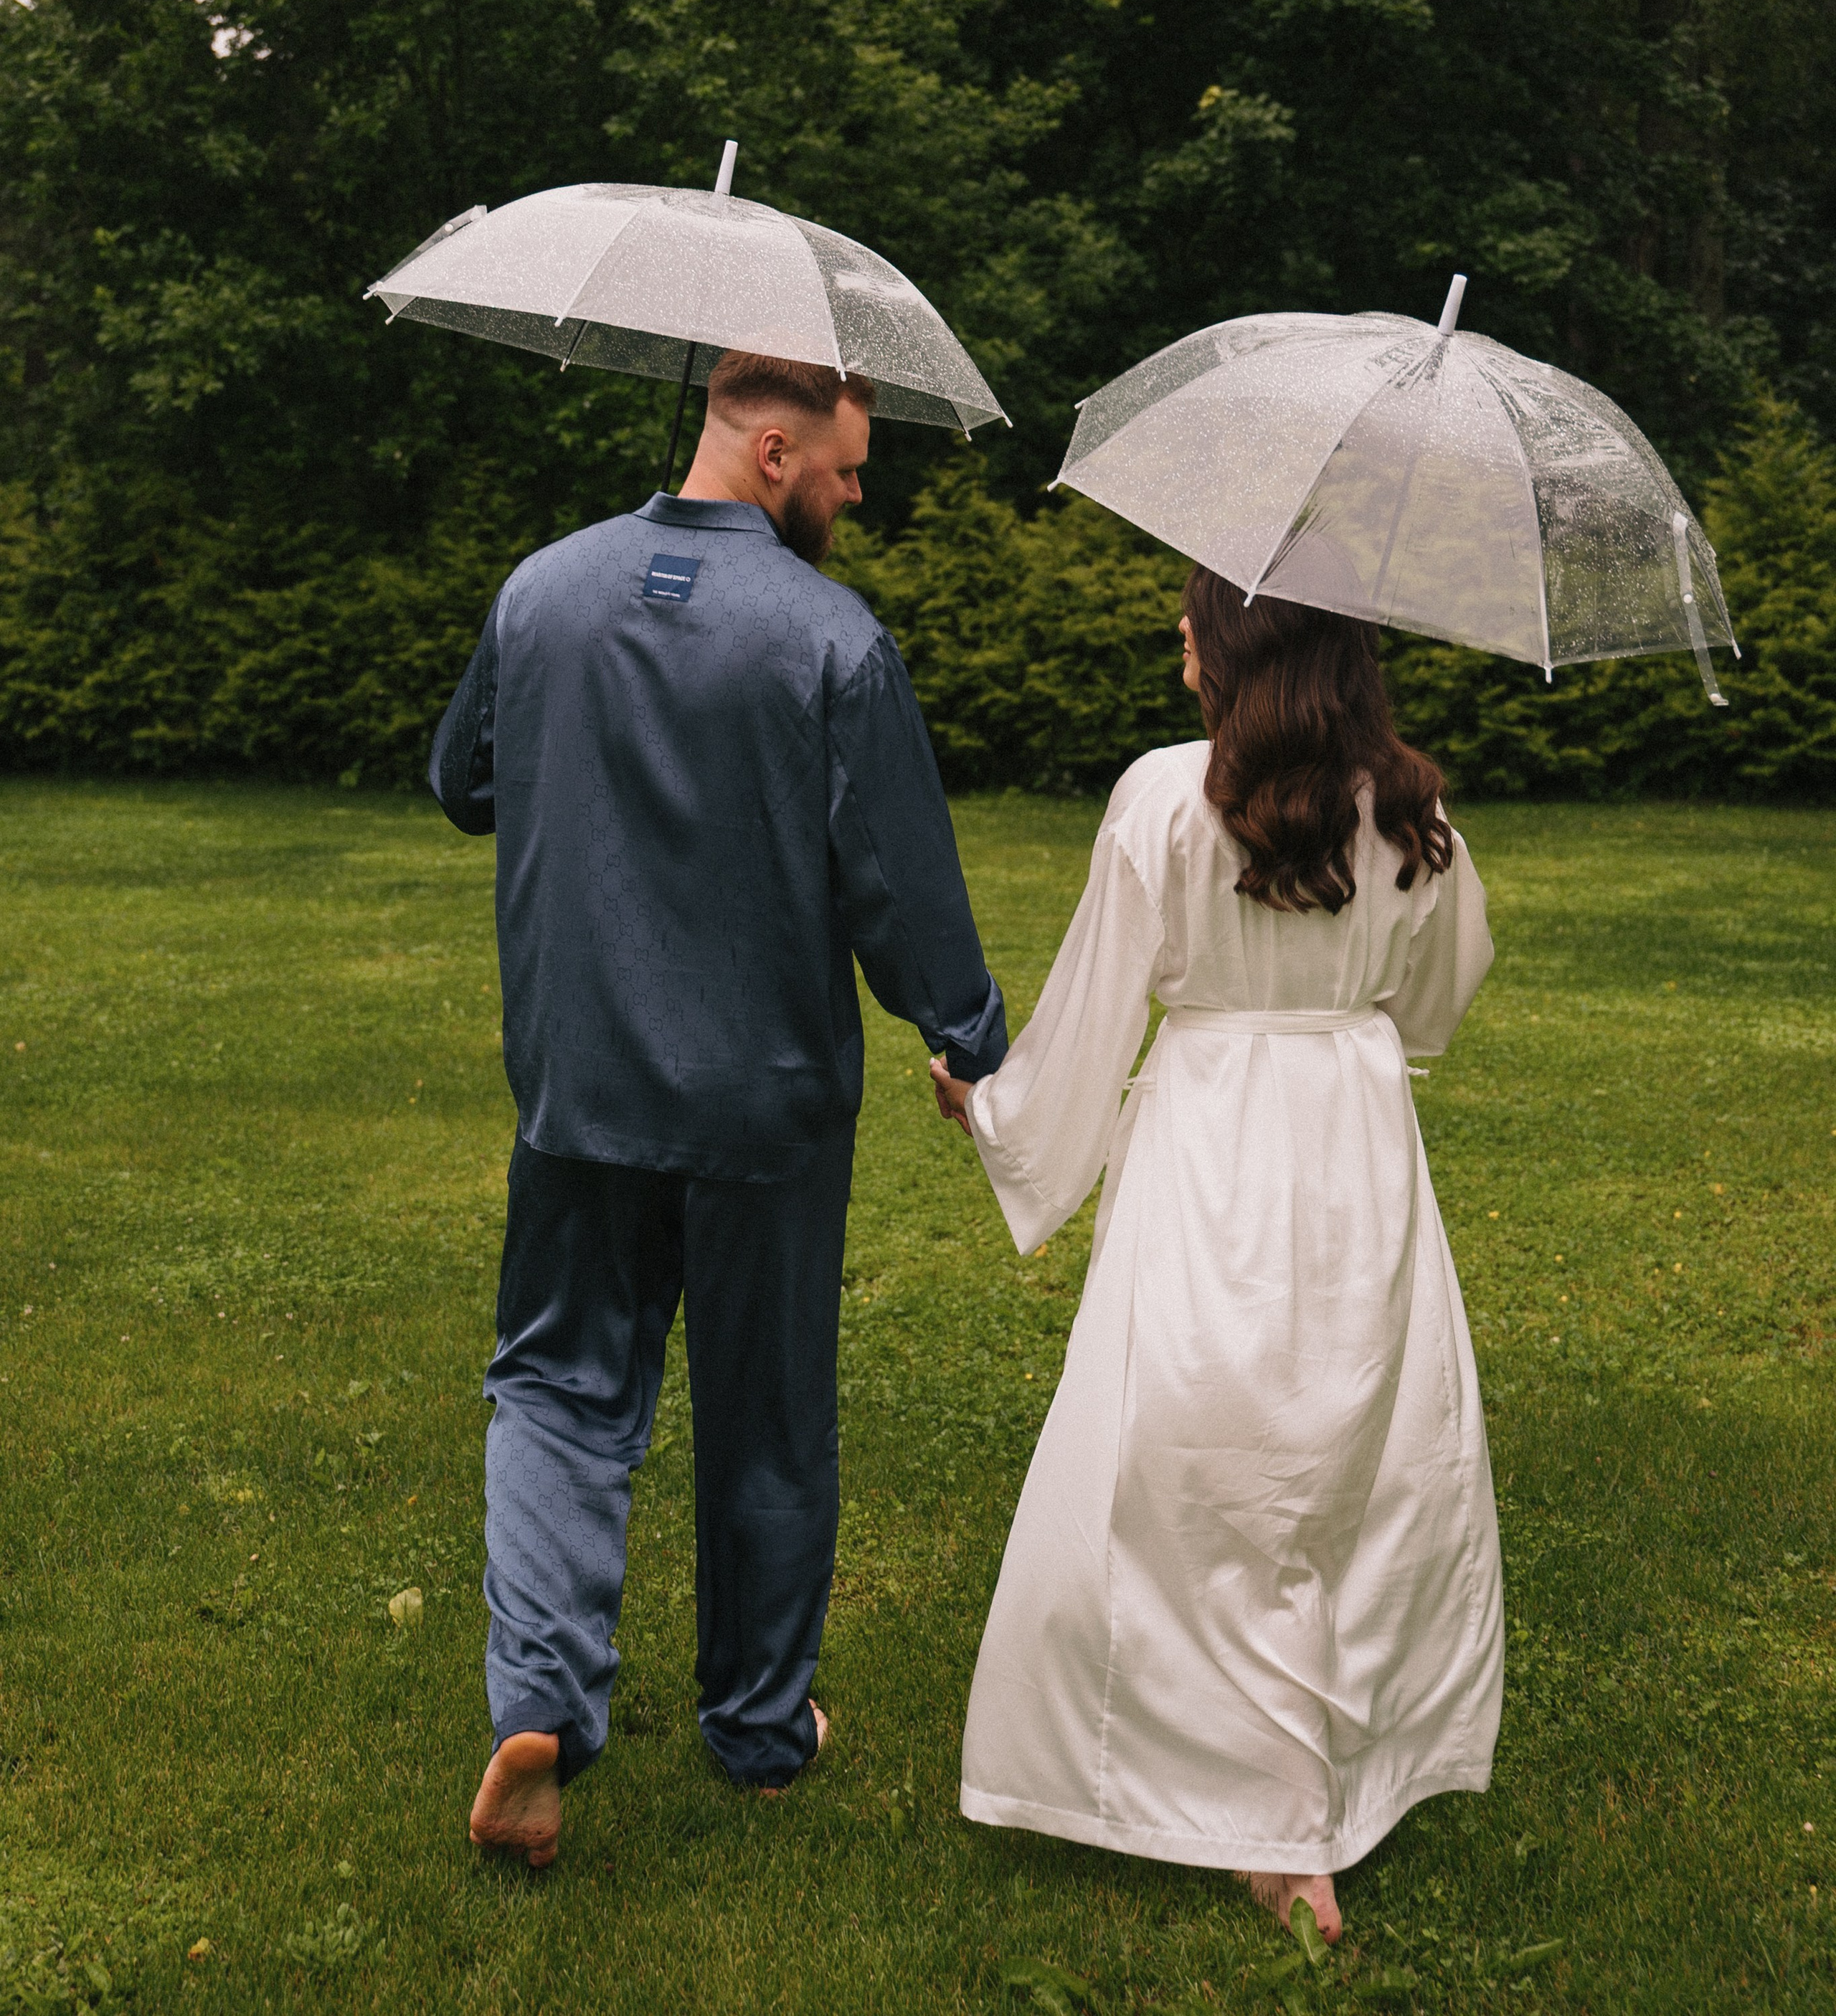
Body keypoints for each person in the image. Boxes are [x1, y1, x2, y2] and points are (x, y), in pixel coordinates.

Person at [430, 350, 1007, 1869]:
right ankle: (757, 1730)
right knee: (767, 1417)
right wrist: (968, 1038)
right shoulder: (832, 637)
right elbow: (897, 888)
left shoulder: (540, 590)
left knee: (558, 1387)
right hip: (767, 1103)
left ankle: (539, 1701)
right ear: (771, 452)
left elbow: (463, 780)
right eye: (846, 469)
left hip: (577, 1083)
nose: (854, 495)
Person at [931, 571, 1500, 1943]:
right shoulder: (1413, 814)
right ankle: (1311, 1784)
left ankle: (1252, 1798)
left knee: (1191, 1451)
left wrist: (998, 1111)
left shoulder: (1163, 799)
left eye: (1202, 612)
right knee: (1346, 1459)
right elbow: (1438, 997)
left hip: (1211, 1149)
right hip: (1352, 1149)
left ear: (1254, 644)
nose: (1182, 630)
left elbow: (1097, 1005)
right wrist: (1342, 1015)